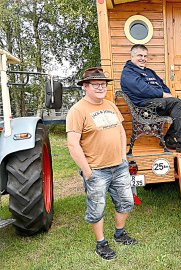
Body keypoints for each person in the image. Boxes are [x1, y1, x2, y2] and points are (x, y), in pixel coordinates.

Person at [66, 67, 137, 260]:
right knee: (96, 209)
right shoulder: (77, 111)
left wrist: (123, 156)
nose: (100, 87)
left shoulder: (110, 105)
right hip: (96, 170)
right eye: (95, 84)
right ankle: (101, 243)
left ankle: (120, 233)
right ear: (85, 87)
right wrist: (88, 172)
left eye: (103, 84)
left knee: (126, 202)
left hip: (119, 166)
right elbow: (73, 144)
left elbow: (121, 131)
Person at [120, 44, 181, 155]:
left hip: (158, 103)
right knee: (175, 102)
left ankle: (168, 138)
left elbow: (163, 86)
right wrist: (163, 95)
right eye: (140, 55)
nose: (143, 59)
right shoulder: (128, 73)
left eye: (145, 56)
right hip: (144, 107)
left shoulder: (149, 72)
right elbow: (143, 90)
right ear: (132, 56)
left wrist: (166, 93)